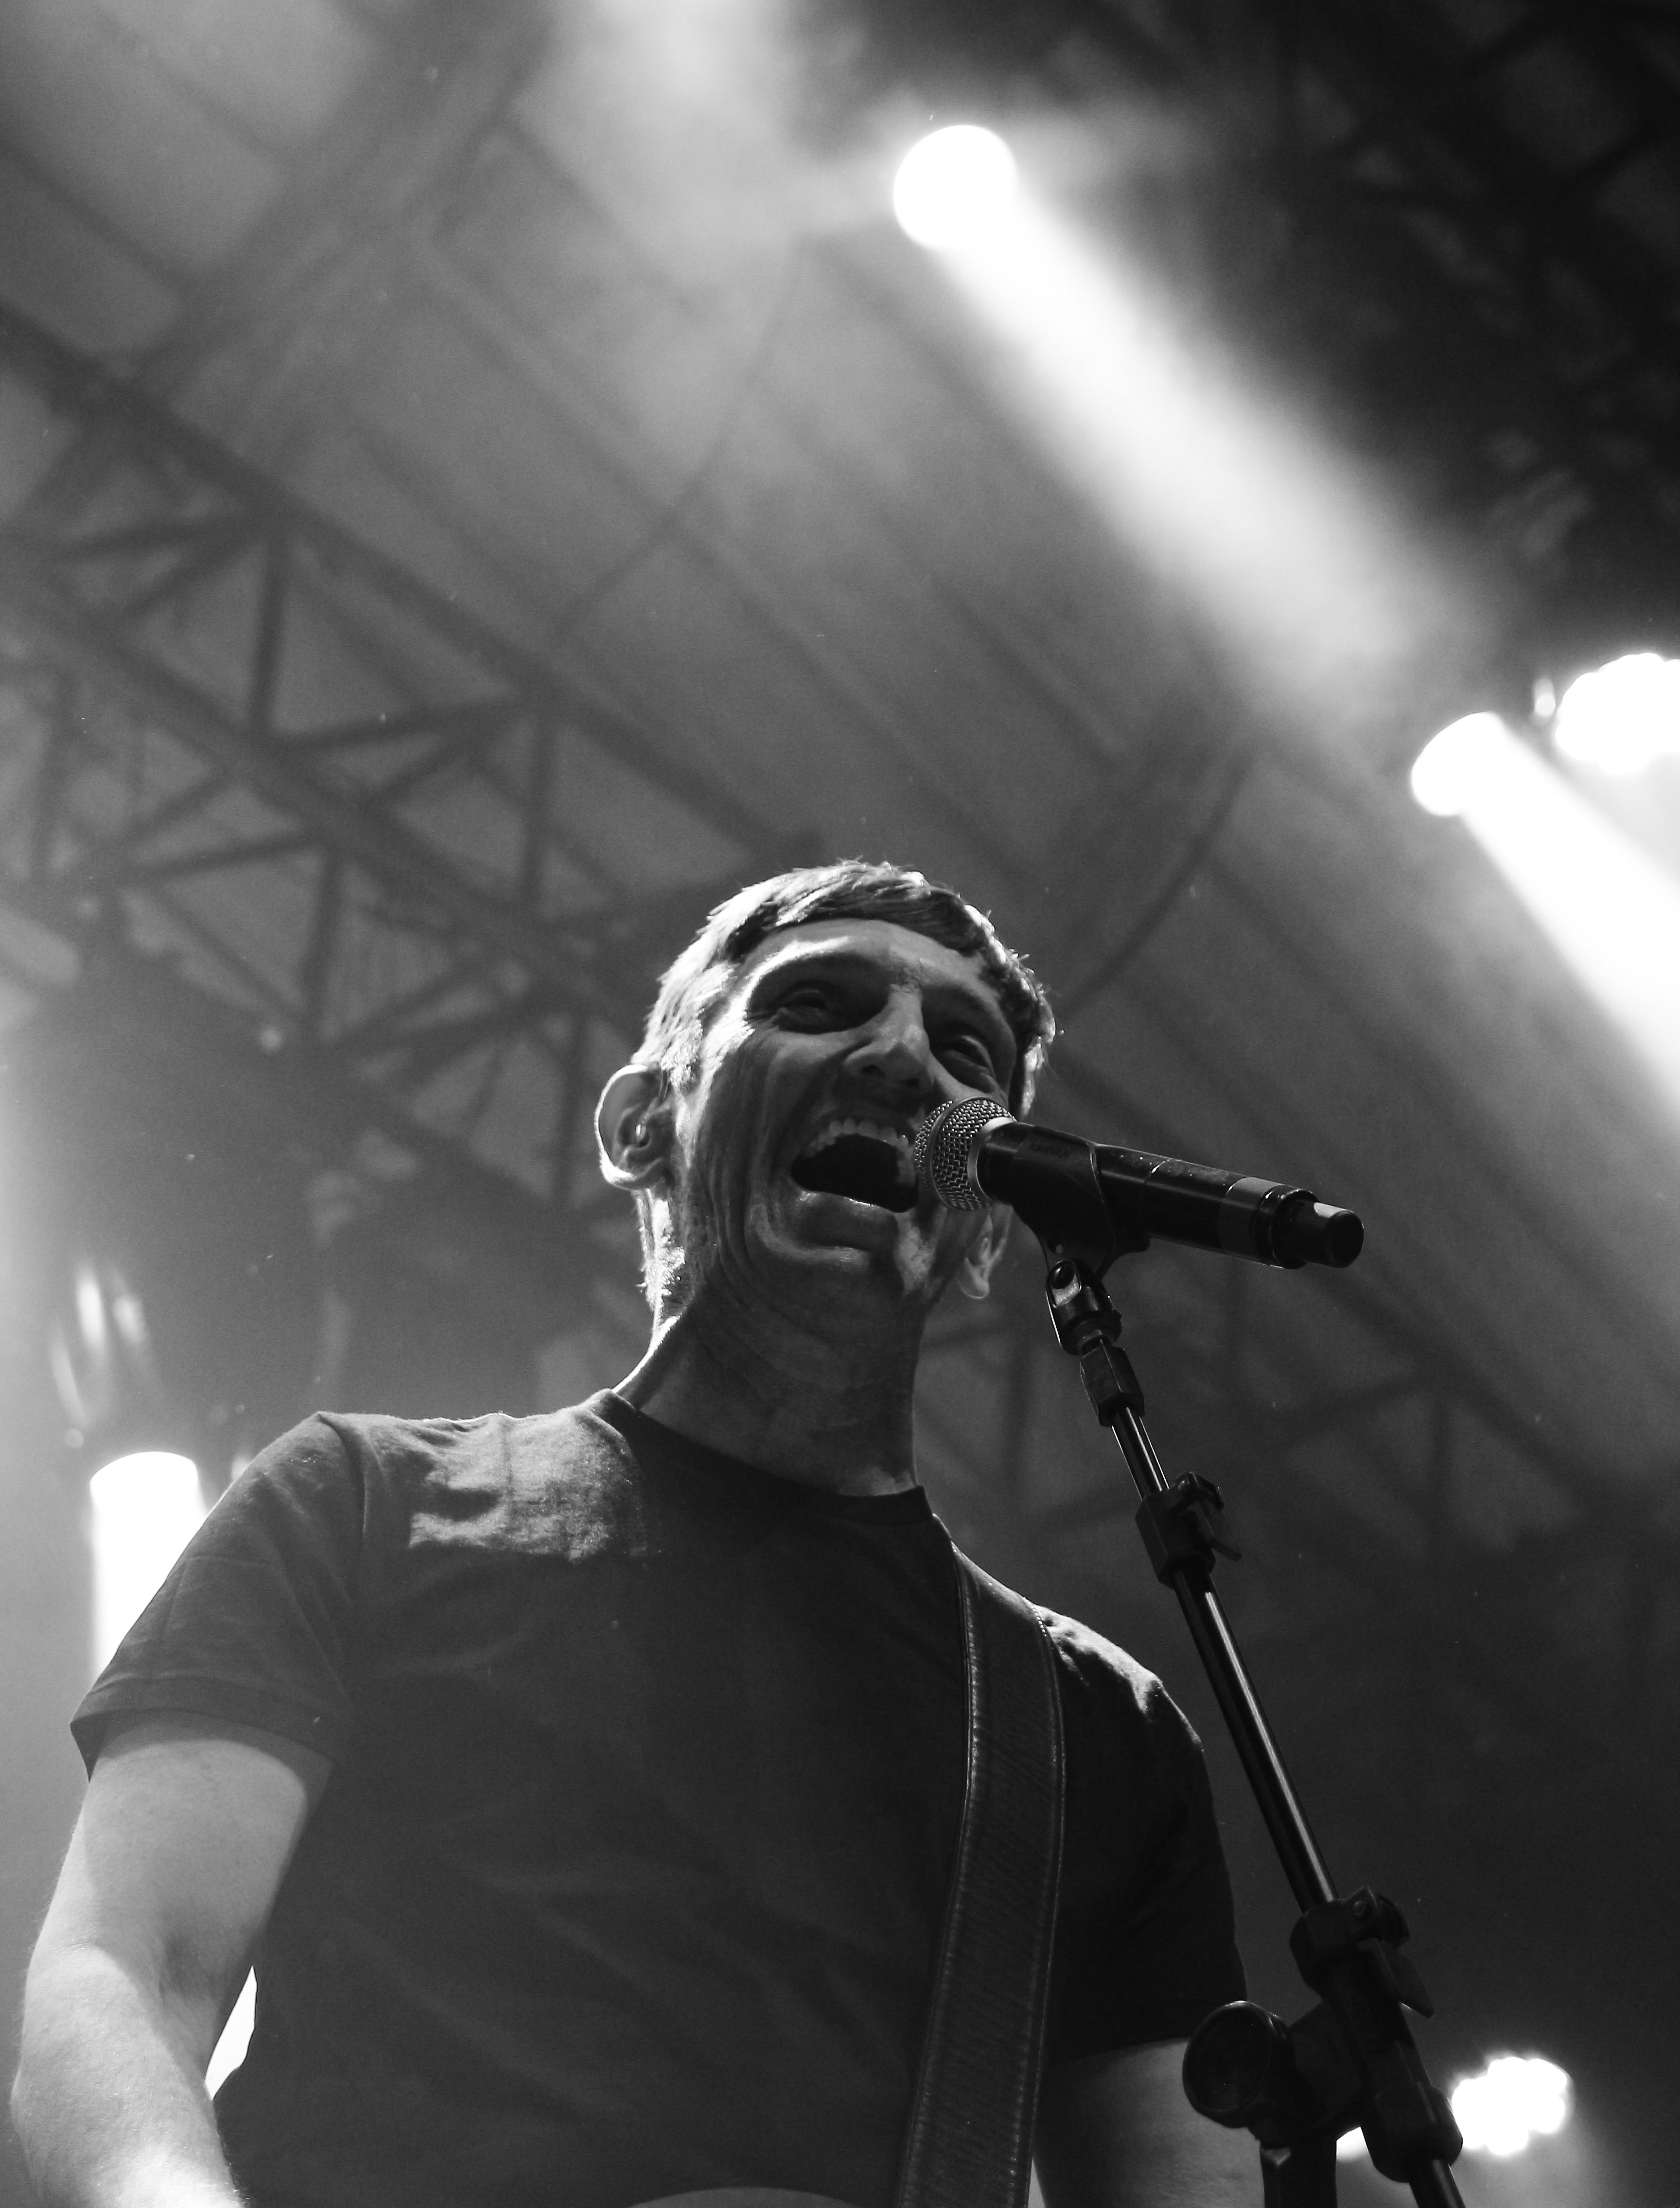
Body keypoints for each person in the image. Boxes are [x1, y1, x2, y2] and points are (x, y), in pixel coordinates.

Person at [12, 862, 1255, 2208]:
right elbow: (128, 1975)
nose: (904, 1056)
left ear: (984, 1233)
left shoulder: (1088, 1728)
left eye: (965, 1050)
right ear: (642, 1123)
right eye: (818, 1002)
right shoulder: (359, 1505)